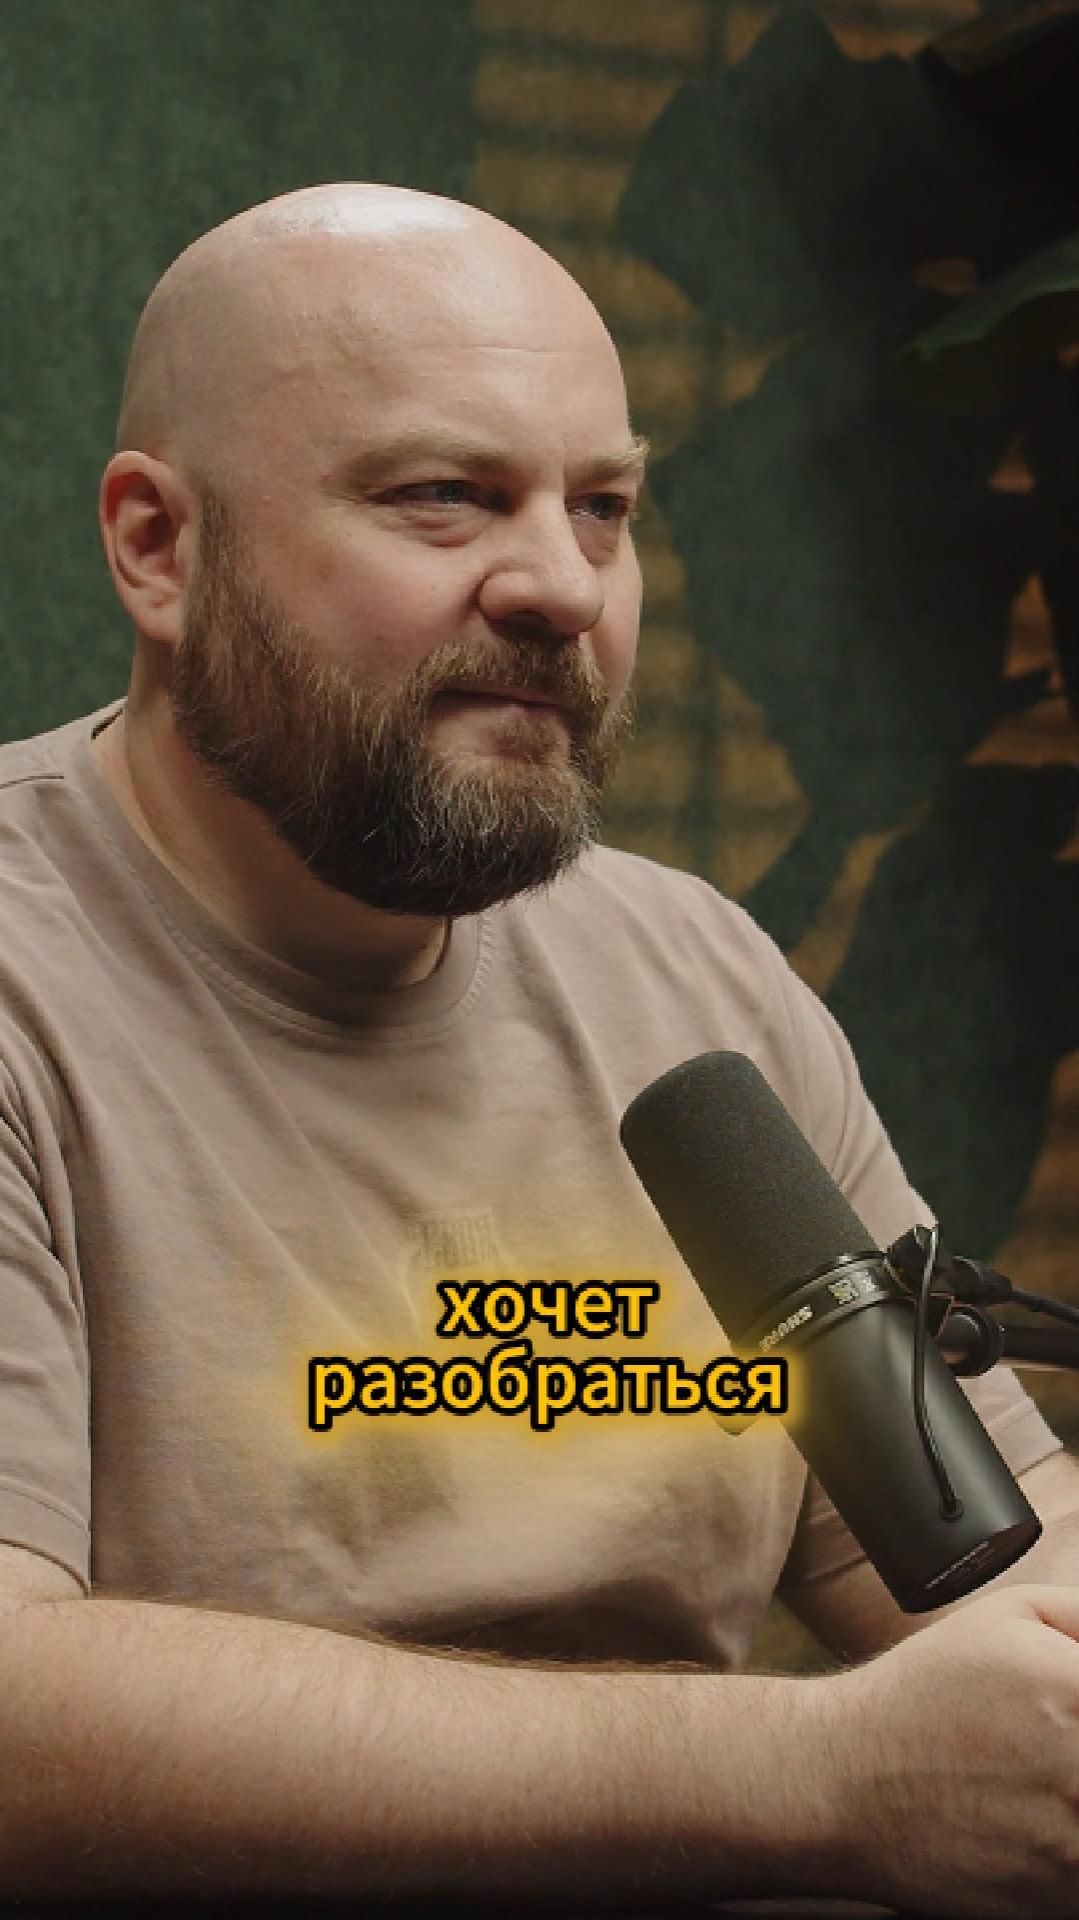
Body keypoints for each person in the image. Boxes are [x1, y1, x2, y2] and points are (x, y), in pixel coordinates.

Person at [0, 180, 1077, 1915]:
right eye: (444, 496)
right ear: (159, 548)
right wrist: (820, 1774)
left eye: (604, 509)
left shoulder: (694, 978)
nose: (566, 589)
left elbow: (996, 1566)